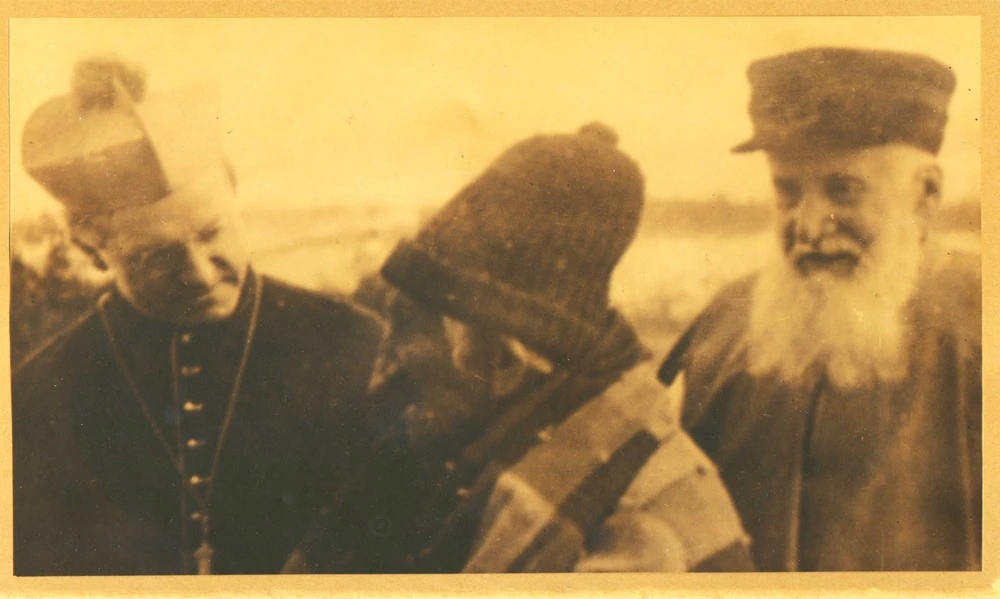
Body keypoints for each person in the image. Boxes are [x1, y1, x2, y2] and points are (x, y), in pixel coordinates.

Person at [299, 124, 752, 573]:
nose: (385, 361)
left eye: (410, 324)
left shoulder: (642, 525)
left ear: (503, 360)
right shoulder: (468, 437)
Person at [12, 56, 385, 575]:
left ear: (234, 201)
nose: (202, 275)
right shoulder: (37, 394)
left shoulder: (353, 343)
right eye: (157, 257)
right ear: (94, 251)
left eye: (213, 234)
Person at [657, 47, 981, 571]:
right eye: (787, 192)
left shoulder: (981, 327)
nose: (808, 227)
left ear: (926, 194)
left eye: (843, 191)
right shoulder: (724, 325)